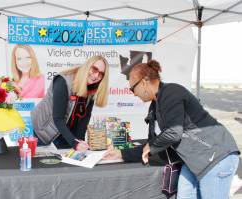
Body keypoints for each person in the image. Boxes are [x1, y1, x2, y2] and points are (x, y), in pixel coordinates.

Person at [103, 59, 240, 198]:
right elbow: (158, 142)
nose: (134, 94)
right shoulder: (155, 105)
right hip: (194, 161)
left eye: (133, 88)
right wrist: (122, 153)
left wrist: (151, 146)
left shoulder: (171, 92)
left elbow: (174, 132)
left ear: (144, 81)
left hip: (215, 157)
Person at [31, 55, 109, 151]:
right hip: (44, 130)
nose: (96, 76)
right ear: (87, 66)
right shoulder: (63, 81)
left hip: (66, 132)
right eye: (94, 69)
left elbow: (85, 117)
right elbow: (58, 119)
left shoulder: (93, 87)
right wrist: (74, 143)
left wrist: (80, 141)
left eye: (101, 74)